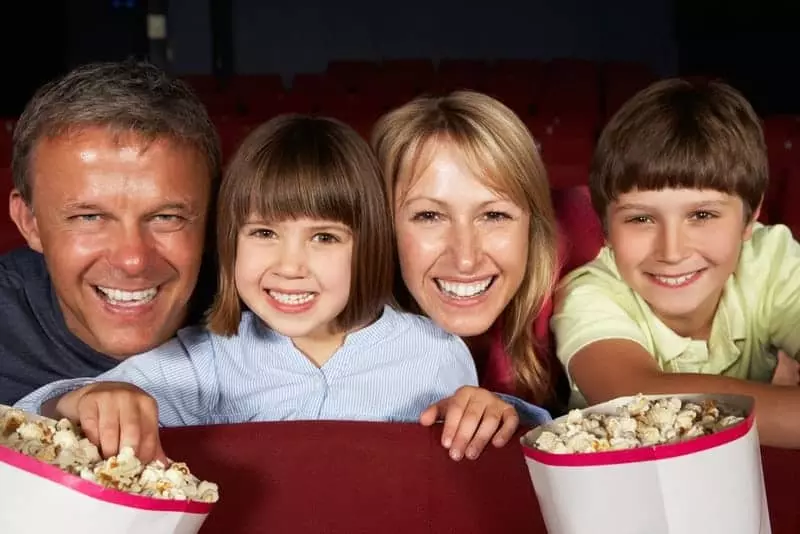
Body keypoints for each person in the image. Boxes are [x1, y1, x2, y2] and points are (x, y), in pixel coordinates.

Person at [17, 115, 531, 463]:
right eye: (264, 233)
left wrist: (489, 410)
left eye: (325, 237)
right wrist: (85, 399)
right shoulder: (206, 363)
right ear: (230, 242)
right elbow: (46, 415)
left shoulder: (435, 353)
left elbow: (485, 447)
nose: (290, 266)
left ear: (369, 244)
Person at [550, 78, 800, 448]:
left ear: (749, 219)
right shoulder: (590, 291)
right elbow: (635, 397)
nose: (671, 251)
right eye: (640, 219)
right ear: (606, 228)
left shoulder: (770, 258)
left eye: (701, 215)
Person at [0, 60, 220, 405]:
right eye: (89, 217)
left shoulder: (278, 319)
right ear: (30, 222)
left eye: (166, 216)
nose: (133, 260)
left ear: (211, 220)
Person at [372, 91, 564, 446]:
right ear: (382, 228)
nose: (465, 258)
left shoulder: (575, 309)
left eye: (494, 215)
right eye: (429, 216)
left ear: (531, 227)